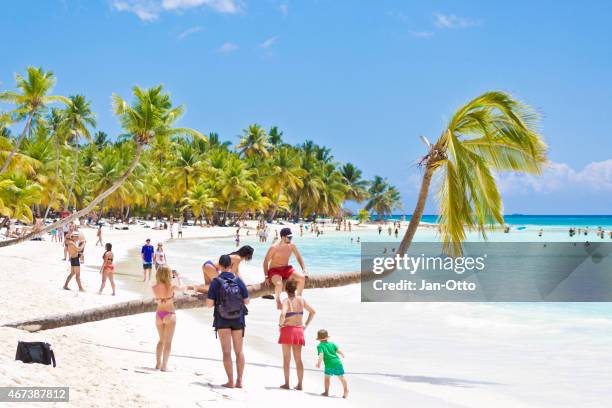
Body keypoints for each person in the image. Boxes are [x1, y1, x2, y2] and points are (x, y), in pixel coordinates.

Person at [206, 255, 250, 388]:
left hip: (222, 319)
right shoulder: (238, 280)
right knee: (239, 351)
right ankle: (240, 381)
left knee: (226, 352)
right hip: (238, 319)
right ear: (231, 265)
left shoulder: (215, 282)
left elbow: (209, 304)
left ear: (219, 266)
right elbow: (247, 301)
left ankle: (230, 381)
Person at [278, 280, 315, 391]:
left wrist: (280, 325)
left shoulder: (286, 301)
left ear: (286, 289)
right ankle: (300, 384)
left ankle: (287, 383)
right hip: (299, 331)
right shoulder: (301, 300)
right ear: (295, 289)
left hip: (287, 330)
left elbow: (283, 314)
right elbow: (313, 311)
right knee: (298, 359)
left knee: (286, 359)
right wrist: (306, 325)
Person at [263, 228, 307, 309]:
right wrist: (266, 276)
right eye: (289, 237)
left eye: (291, 237)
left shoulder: (292, 246)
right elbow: (266, 261)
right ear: (283, 237)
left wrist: (304, 269)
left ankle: (298, 298)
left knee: (302, 278)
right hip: (274, 271)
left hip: (286, 269)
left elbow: (298, 257)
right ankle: (278, 300)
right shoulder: (274, 247)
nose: (291, 239)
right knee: (279, 284)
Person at [152, 265, 180, 371]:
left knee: (161, 340)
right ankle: (164, 366)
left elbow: (156, 299)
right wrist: (178, 277)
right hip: (169, 314)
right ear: (169, 274)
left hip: (159, 314)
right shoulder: (171, 286)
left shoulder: (154, 287)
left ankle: (158, 364)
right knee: (168, 342)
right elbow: (183, 288)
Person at [316, 329, 348, 399]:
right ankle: (346, 390)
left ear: (319, 339)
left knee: (327, 378)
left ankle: (326, 392)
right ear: (327, 337)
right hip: (337, 362)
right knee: (341, 377)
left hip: (329, 364)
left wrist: (318, 363)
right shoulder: (332, 344)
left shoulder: (320, 346)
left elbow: (321, 354)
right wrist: (342, 354)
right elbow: (338, 350)